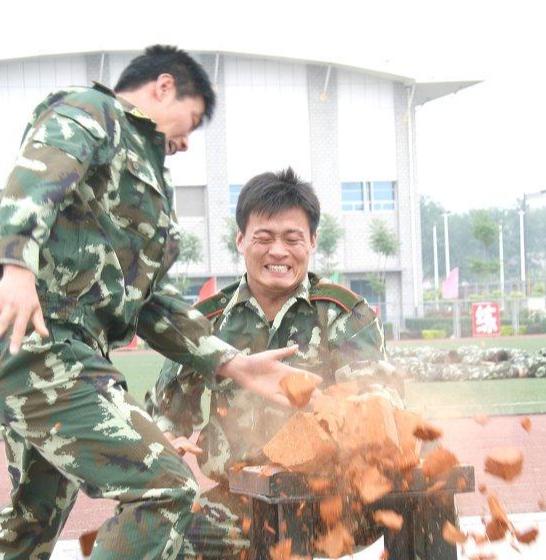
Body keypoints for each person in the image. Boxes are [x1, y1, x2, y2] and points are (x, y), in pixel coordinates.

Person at [0, 46, 318, 559]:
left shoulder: (150, 180)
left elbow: (151, 302)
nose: (187, 142)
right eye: (191, 121)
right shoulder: (94, 113)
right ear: (163, 87)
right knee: (165, 489)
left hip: (63, 350)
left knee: (31, 521)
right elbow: (35, 178)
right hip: (44, 342)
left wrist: (232, 363)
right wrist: (13, 262)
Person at [146, 168, 392, 559]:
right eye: (264, 238)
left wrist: (313, 402)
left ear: (312, 242)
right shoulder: (208, 322)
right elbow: (164, 413)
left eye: (292, 238)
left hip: (334, 499)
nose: (278, 251)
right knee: (154, 543)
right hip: (242, 498)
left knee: (429, 502)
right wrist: (164, 440)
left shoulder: (341, 313)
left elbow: (383, 403)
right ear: (241, 240)